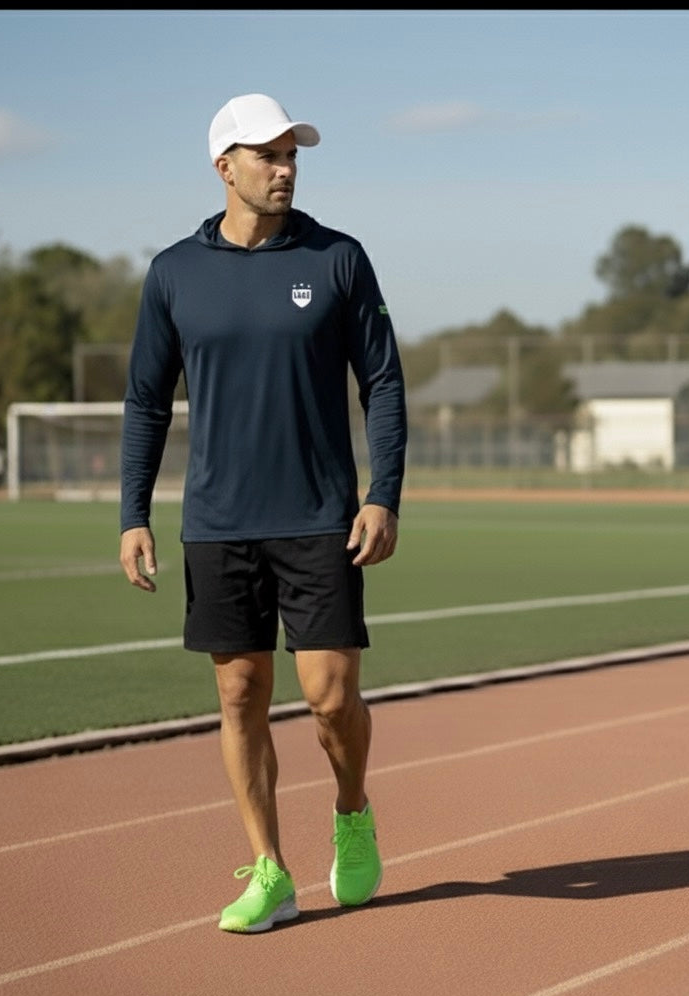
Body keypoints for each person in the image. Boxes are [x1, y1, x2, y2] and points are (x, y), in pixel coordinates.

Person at [119, 92, 407, 934]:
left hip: (320, 515)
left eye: (291, 155)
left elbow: (383, 382)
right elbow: (145, 399)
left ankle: (351, 810)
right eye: (267, 156)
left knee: (328, 695)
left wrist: (382, 493)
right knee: (240, 692)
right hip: (217, 522)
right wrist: (133, 512)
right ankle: (271, 869)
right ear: (225, 168)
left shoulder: (337, 258)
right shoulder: (174, 272)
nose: (283, 169)